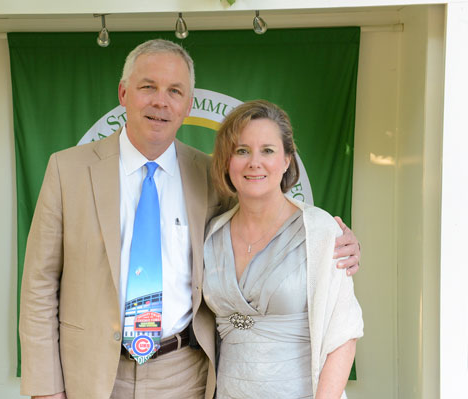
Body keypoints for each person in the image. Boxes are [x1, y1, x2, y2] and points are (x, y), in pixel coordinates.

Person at [19, 40, 362, 399]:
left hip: (185, 376)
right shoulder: (67, 169)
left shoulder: (209, 175)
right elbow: (39, 288)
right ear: (123, 92)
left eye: (175, 91)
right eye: (148, 87)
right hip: (91, 375)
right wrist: (47, 391)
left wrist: (338, 242)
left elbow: (269, 216)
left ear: (189, 104)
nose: (160, 102)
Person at [203, 100, 363, 399]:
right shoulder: (212, 233)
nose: (254, 162)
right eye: (241, 151)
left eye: (268, 150)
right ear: (227, 160)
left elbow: (343, 335)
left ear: (287, 159)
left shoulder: (320, 230)